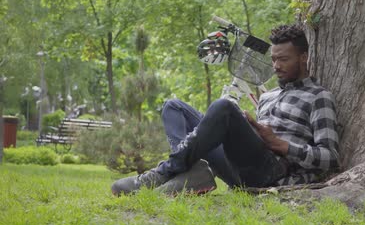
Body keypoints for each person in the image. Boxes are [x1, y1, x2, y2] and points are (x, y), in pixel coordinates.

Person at [111, 24, 340, 196]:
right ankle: (193, 172)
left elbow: (330, 158)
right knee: (174, 107)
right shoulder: (267, 96)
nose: (276, 66)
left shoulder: (318, 97)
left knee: (224, 106)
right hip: (240, 168)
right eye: (273, 59)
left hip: (271, 172)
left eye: (284, 59)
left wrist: (281, 145)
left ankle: (164, 173)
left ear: (303, 58)